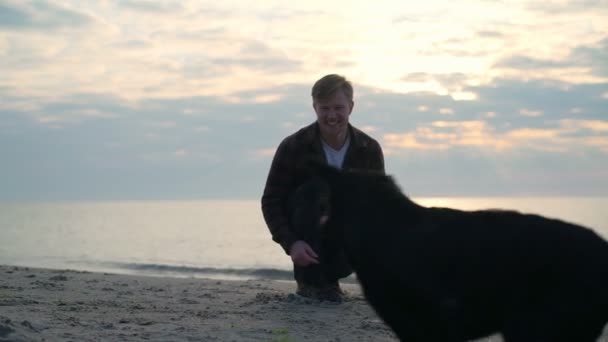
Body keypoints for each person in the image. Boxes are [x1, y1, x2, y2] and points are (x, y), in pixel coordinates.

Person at [261, 74, 385, 302]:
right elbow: (271, 200)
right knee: (315, 189)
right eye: (324, 108)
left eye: (338, 108)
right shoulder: (294, 146)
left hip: (347, 242)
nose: (331, 116)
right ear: (314, 107)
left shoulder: (368, 149)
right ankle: (311, 284)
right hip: (304, 236)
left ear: (351, 107)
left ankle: (330, 280)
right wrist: (292, 243)